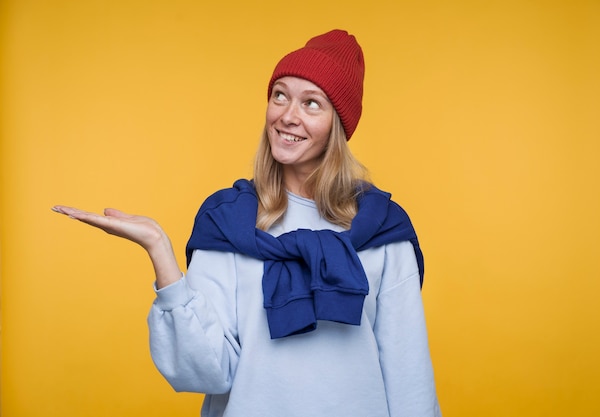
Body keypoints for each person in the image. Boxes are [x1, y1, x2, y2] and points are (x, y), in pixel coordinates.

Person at [53, 29, 442, 417]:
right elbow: (206, 371)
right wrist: (159, 249)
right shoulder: (229, 223)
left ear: (338, 125)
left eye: (312, 103)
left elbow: (408, 377)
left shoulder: (382, 230)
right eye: (280, 96)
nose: (288, 116)